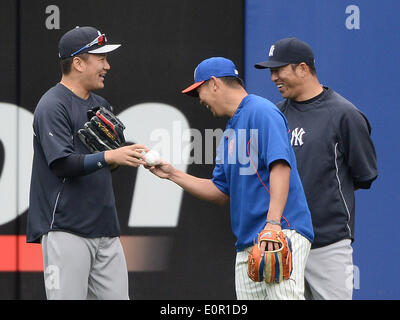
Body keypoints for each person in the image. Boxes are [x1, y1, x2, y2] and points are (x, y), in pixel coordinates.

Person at [147, 57, 314, 299]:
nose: (200, 100)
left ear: (214, 83)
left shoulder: (261, 110)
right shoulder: (229, 133)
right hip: (248, 241)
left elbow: (280, 166)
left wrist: (273, 224)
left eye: (200, 91)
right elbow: (219, 191)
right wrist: (172, 174)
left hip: (280, 231)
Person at [26, 26, 146, 300]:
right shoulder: (52, 104)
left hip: (105, 228)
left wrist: (126, 154)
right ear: (78, 63)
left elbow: (108, 162)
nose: (107, 65)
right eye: (100, 58)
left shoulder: (101, 103)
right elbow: (62, 164)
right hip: (66, 228)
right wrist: (110, 156)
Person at [254, 37, 378, 300]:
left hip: (327, 242)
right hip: (284, 242)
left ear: (302, 68)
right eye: (271, 71)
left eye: (279, 69)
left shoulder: (344, 114)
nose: (273, 77)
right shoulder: (275, 115)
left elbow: (362, 175)